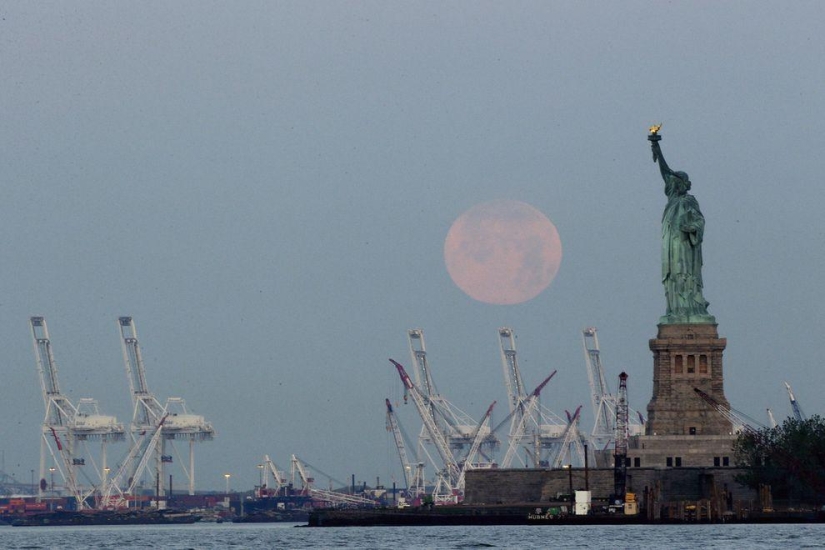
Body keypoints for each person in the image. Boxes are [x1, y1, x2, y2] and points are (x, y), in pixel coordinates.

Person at [650, 135, 714, 323]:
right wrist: (656, 146)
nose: (671, 183)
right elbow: (665, 172)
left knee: (685, 274)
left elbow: (700, 222)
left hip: (686, 245)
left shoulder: (689, 201)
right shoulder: (673, 200)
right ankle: (676, 309)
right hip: (672, 245)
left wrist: (691, 227)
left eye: (674, 182)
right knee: (673, 275)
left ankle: (692, 307)